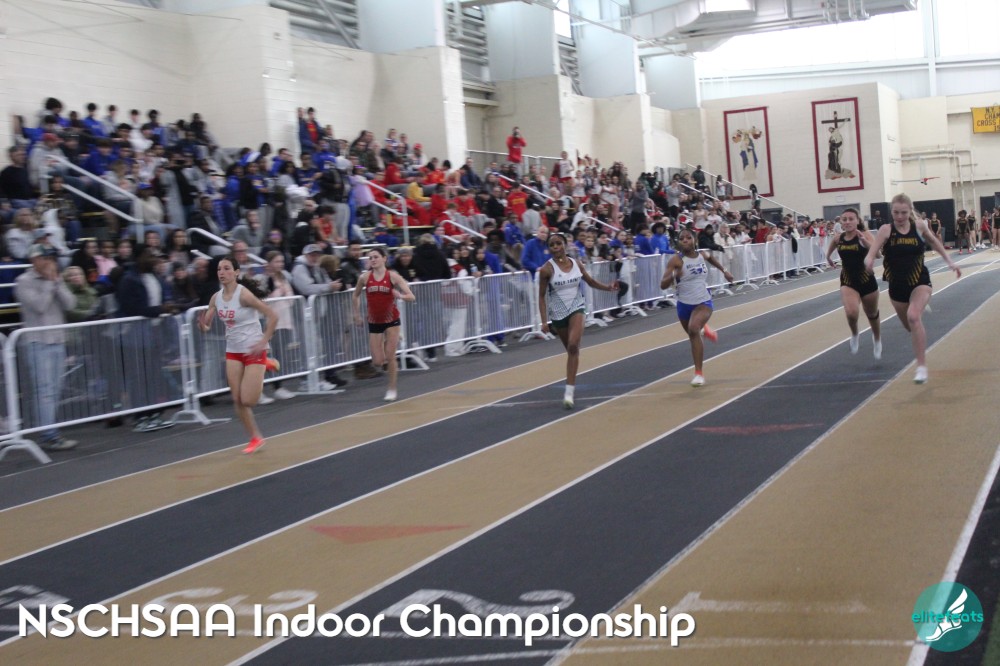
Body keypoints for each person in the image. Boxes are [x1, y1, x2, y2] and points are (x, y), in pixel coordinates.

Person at [864, 193, 960, 384]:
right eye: (896, 213)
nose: (899, 217)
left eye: (904, 213)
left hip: (920, 281)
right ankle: (919, 319)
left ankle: (921, 367)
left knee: (914, 317)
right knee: (910, 326)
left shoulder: (919, 226)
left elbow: (934, 242)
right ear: (891, 212)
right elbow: (872, 253)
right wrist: (868, 262)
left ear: (910, 211)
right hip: (897, 286)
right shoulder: (886, 230)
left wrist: (950, 261)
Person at [198, 254, 279, 453]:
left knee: (249, 400)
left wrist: (263, 341)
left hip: (253, 349)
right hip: (233, 351)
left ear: (236, 272)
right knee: (237, 400)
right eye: (219, 269)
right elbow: (207, 326)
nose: (222, 272)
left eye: (226, 268)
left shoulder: (244, 295)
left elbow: (272, 315)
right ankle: (255, 438)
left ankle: (265, 363)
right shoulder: (215, 298)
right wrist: (202, 326)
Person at [538, 232, 618, 409]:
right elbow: (541, 296)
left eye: (559, 243)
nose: (556, 247)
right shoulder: (546, 270)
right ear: (549, 248)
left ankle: (569, 392)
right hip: (558, 313)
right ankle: (571, 380)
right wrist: (543, 322)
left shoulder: (576, 264)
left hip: (577, 306)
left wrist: (608, 288)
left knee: (574, 345)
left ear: (565, 245)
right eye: (552, 245)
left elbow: (590, 282)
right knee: (571, 350)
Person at [14, 244, 78, 451]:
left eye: (51, 258)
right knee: (44, 390)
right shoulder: (23, 281)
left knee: (56, 388)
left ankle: (49, 430)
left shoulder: (56, 278)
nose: (50, 262)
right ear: (34, 260)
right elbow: (39, 306)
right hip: (37, 342)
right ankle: (49, 435)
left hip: (57, 340)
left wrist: (58, 283)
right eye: (45, 258)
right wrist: (50, 284)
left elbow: (71, 304)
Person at [659, 229, 734, 387]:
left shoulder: (702, 254)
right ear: (679, 242)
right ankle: (705, 330)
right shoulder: (676, 261)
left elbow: (712, 259)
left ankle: (699, 373)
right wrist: (674, 275)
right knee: (693, 335)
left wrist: (725, 271)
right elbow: (663, 285)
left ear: (695, 240)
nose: (685, 240)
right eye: (682, 238)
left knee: (693, 329)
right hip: (683, 304)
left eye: (688, 237)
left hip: (703, 302)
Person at [352, 247, 416, 402]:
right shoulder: (365, 277)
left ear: (384, 259)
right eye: (370, 257)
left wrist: (400, 296)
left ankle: (392, 388)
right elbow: (355, 295)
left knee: (390, 356)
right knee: (378, 362)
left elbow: (411, 296)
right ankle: (387, 342)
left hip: (391, 320)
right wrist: (356, 314)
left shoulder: (393, 276)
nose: (373, 260)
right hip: (374, 321)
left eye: (376, 257)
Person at [826, 208, 882, 359]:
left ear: (857, 221)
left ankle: (877, 338)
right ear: (841, 222)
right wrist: (828, 257)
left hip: (866, 280)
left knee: (872, 313)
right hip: (848, 280)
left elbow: (878, 254)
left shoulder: (865, 235)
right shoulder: (839, 238)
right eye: (844, 219)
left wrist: (864, 242)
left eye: (851, 219)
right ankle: (855, 334)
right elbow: (833, 243)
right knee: (851, 313)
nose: (847, 222)